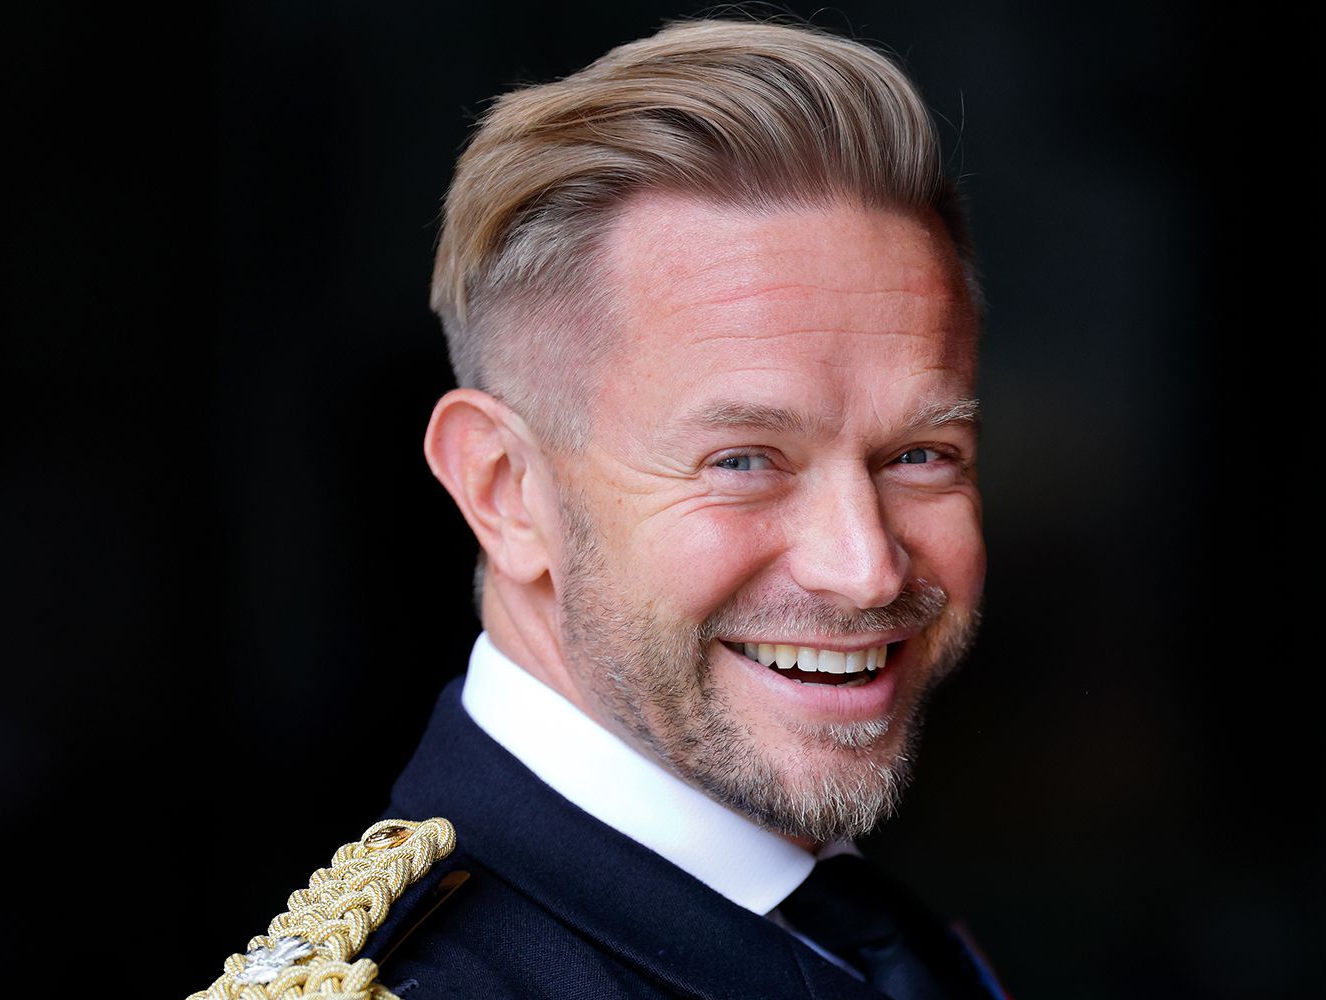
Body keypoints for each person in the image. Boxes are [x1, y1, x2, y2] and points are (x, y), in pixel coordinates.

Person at [193, 16, 1005, 1000]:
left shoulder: (862, 932)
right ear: (505, 490)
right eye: (744, 458)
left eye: (921, 454)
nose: (866, 566)